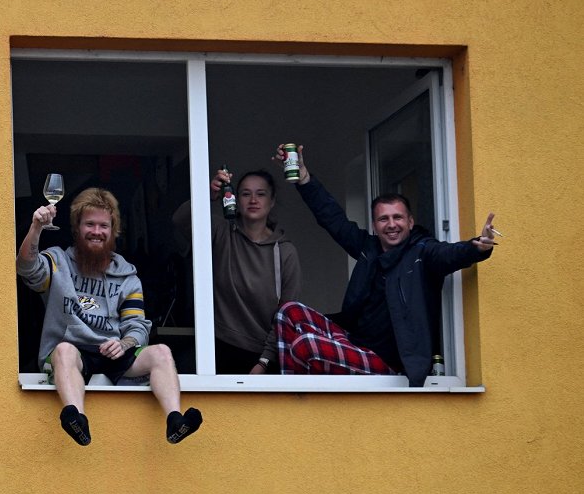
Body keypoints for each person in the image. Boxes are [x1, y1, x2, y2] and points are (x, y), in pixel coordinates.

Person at [273, 145, 498, 387]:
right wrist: (304, 178)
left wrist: (477, 246)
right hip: (354, 344)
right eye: (384, 219)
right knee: (289, 311)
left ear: (410, 222)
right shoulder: (367, 248)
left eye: (397, 217)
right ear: (374, 226)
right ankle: (292, 393)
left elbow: (450, 254)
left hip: (389, 365)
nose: (391, 224)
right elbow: (332, 218)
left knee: (306, 344)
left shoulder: (422, 252)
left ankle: (299, 393)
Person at [18, 186, 203, 445]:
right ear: (77, 228)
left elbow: (137, 325)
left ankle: (175, 420)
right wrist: (36, 227)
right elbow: (27, 269)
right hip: (74, 355)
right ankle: (76, 418)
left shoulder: (127, 276)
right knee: (64, 351)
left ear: (114, 230)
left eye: (103, 226)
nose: (96, 232)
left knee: (160, 352)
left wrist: (124, 343)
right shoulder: (58, 261)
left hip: (113, 352)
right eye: (89, 224)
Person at [173, 168, 302, 373]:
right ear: (235, 198)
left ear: (272, 201)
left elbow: (287, 315)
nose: (253, 200)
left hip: (262, 354)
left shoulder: (285, 252)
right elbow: (181, 219)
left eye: (261, 194)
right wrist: (207, 194)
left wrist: (264, 362)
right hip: (218, 346)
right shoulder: (221, 232)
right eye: (245, 193)